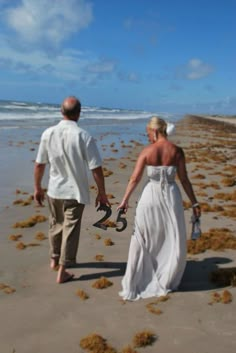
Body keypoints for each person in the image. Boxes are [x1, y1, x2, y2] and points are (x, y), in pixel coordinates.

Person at [117, 116, 201, 300]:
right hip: (171, 197)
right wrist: (194, 202)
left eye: (148, 133)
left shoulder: (148, 151)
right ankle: (167, 277)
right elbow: (184, 180)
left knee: (143, 237)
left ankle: (135, 280)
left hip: (150, 197)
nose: (147, 137)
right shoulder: (177, 151)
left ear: (155, 131)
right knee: (171, 236)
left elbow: (134, 178)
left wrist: (124, 200)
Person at [34, 96, 110, 284]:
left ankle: (54, 259)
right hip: (75, 192)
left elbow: (39, 164)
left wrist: (37, 187)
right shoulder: (83, 136)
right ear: (78, 113)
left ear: (61, 111)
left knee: (56, 224)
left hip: (54, 190)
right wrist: (102, 192)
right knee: (70, 229)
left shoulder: (48, 133)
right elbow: (96, 168)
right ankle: (63, 269)